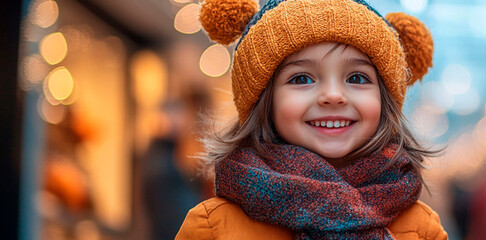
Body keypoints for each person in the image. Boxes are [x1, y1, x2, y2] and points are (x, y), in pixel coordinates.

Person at [175, 0, 447, 239]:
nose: (332, 95)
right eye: (301, 78)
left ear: (383, 101)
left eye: (356, 78)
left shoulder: (421, 229)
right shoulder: (212, 227)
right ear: (264, 101)